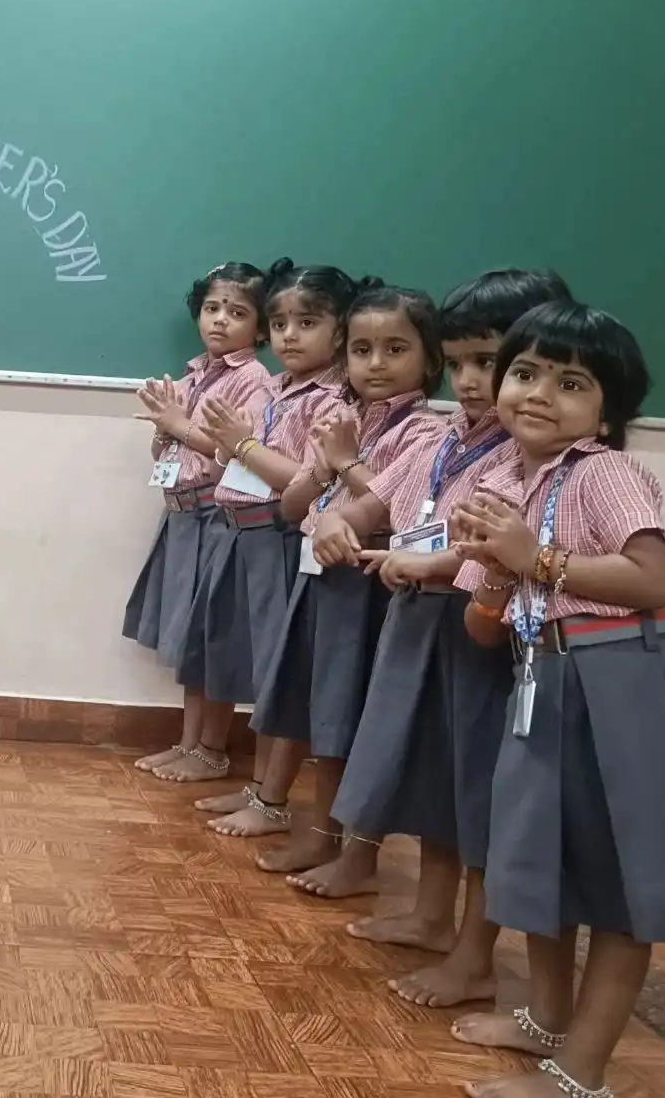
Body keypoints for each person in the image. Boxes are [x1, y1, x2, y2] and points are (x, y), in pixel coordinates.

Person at [446, 302, 665, 1098]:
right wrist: (501, 579)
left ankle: (580, 1074)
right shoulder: (502, 480)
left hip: (624, 681)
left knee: (621, 882)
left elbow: (651, 576)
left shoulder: (602, 472)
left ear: (606, 413)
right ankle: (546, 1019)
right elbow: (484, 626)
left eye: (571, 381)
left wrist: (538, 559)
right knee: (543, 863)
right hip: (542, 677)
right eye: (525, 372)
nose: (539, 393)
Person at [299, 271, 568, 1003]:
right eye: (462, 364)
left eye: (496, 364)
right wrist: (332, 521)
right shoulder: (449, 438)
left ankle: (476, 957)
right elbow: (374, 501)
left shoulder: (534, 456)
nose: (476, 383)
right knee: (436, 780)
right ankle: (430, 917)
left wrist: (434, 560)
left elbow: (498, 546)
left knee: (479, 794)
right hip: (419, 625)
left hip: (479, 635)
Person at [246, 284, 444, 882]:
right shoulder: (344, 419)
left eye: (394, 348)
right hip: (323, 582)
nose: (375, 363)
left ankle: (358, 854)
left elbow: (396, 513)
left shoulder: (428, 433)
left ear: (431, 360)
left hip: (374, 590)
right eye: (361, 349)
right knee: (325, 719)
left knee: (359, 724)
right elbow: (292, 507)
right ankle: (321, 836)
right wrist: (326, 462)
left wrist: (351, 463)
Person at [183, 259, 351, 815]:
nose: (289, 336)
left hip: (281, 541)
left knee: (278, 675)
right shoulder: (278, 388)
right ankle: (252, 785)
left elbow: (299, 481)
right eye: (280, 324)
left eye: (306, 323)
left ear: (340, 330)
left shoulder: (333, 401)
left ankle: (271, 797)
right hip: (243, 533)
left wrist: (241, 445)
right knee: (235, 656)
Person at [125, 264, 271, 783]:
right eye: (212, 308)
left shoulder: (253, 380)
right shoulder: (192, 377)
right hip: (183, 517)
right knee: (191, 640)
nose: (220, 321)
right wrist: (164, 433)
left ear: (261, 328)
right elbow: (170, 443)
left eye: (237, 312)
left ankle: (212, 747)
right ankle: (189, 743)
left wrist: (179, 426)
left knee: (215, 639)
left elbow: (238, 450)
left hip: (219, 518)